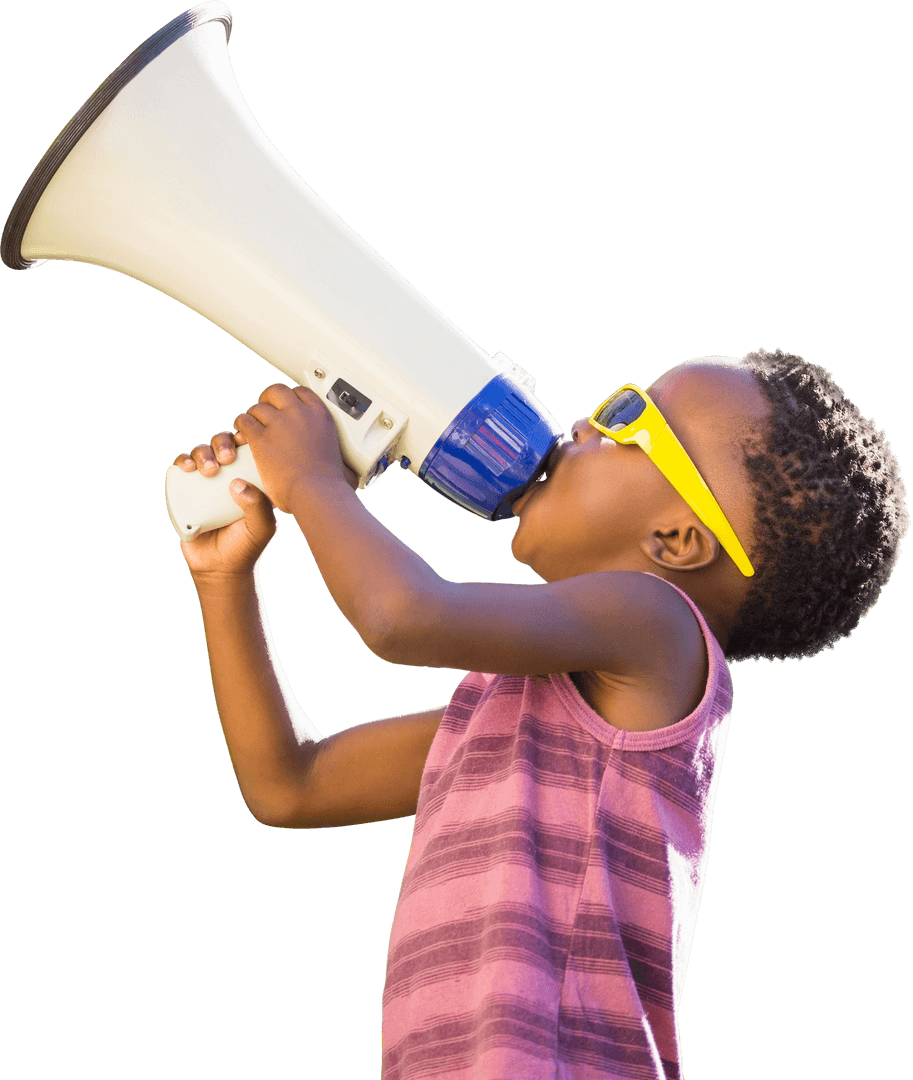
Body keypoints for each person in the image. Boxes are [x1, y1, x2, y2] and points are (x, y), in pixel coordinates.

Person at [173, 347, 908, 1080]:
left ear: (677, 540)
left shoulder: (658, 628)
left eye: (632, 420)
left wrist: (310, 480)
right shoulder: (517, 715)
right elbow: (292, 783)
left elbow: (400, 616)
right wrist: (224, 577)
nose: (588, 422)